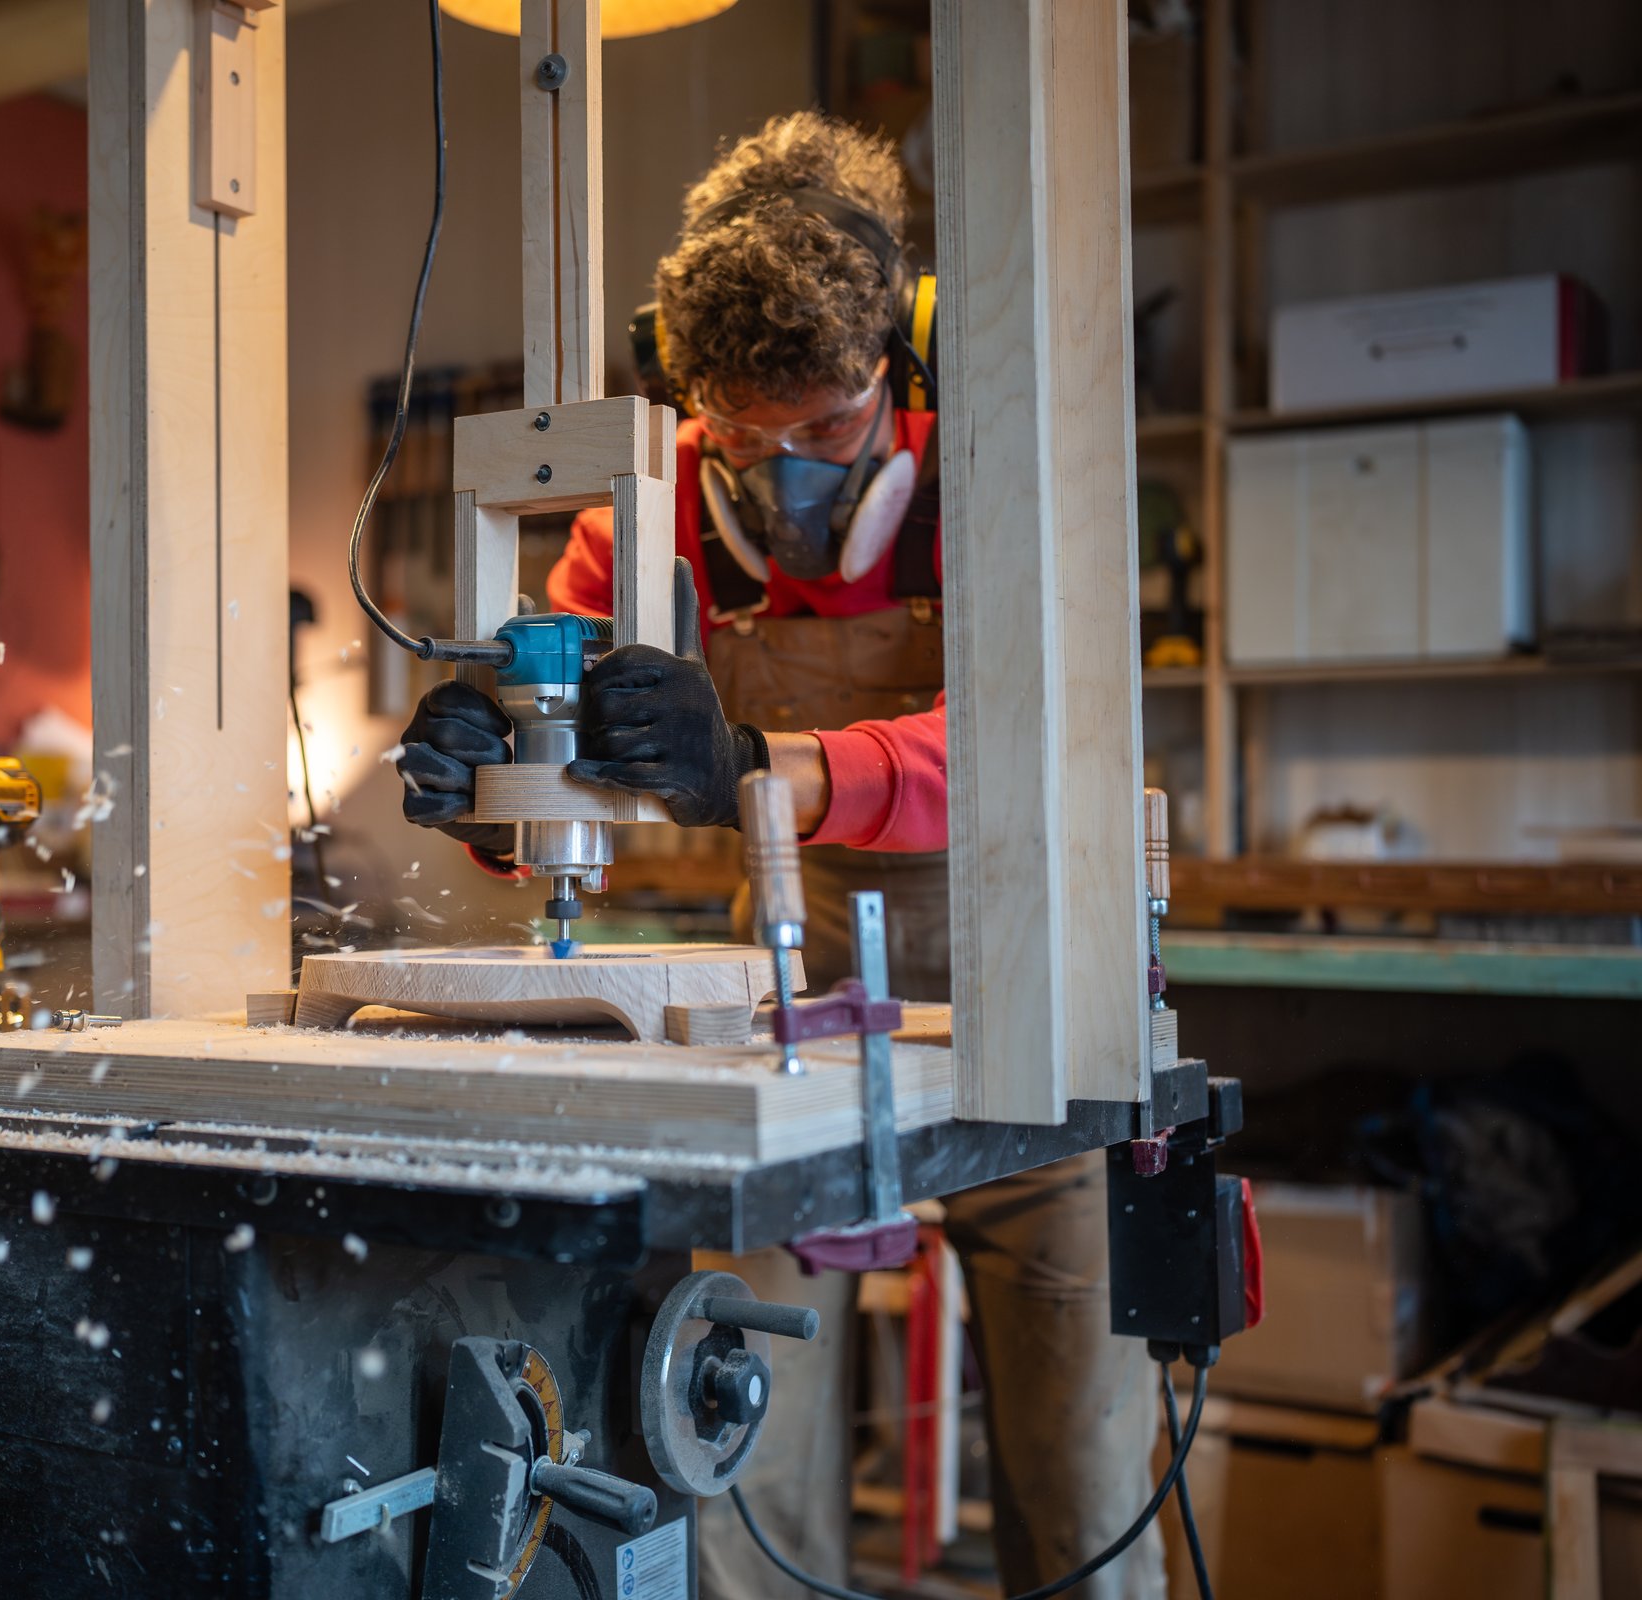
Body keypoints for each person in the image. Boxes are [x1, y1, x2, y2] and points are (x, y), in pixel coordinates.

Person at [394, 113, 1165, 1599]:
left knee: (1087, 1506)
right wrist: (491, 782)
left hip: (1045, 1024)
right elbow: (579, 750)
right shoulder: (656, 511)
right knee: (733, 1474)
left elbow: (1028, 746)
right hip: (802, 1038)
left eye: (828, 425)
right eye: (746, 431)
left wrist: (759, 767)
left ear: (906, 360)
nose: (788, 466)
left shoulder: (995, 477)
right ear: (689, 399)